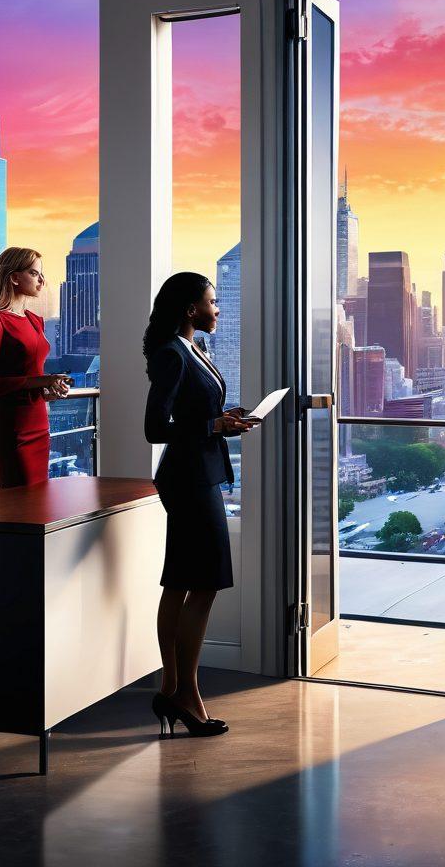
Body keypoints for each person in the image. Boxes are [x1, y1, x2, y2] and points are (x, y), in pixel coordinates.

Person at [143, 272, 255, 739]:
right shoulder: (173, 353)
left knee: (181, 582)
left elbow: (193, 414)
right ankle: (185, 692)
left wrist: (222, 420)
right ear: (191, 309)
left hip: (198, 473)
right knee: (202, 583)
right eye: (212, 302)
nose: (218, 309)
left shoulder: (194, 349)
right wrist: (214, 427)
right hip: (187, 478)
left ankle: (172, 689)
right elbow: (155, 427)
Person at [0, 247, 70, 488]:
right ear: (14, 277)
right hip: (12, 430)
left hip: (40, 424)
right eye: (34, 273)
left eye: (41, 274)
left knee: (38, 504)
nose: (42, 280)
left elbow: (30, 376)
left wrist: (49, 390)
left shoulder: (35, 320)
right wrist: (40, 381)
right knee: (21, 508)